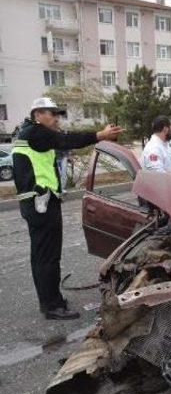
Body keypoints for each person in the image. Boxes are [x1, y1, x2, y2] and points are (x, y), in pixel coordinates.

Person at [12, 97, 122, 320]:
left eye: (57, 114)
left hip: (37, 203)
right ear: (37, 115)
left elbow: (57, 147)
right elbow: (65, 140)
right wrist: (98, 135)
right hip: (41, 203)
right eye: (51, 113)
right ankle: (53, 306)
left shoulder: (31, 134)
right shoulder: (36, 132)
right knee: (48, 256)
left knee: (41, 256)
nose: (55, 118)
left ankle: (50, 300)